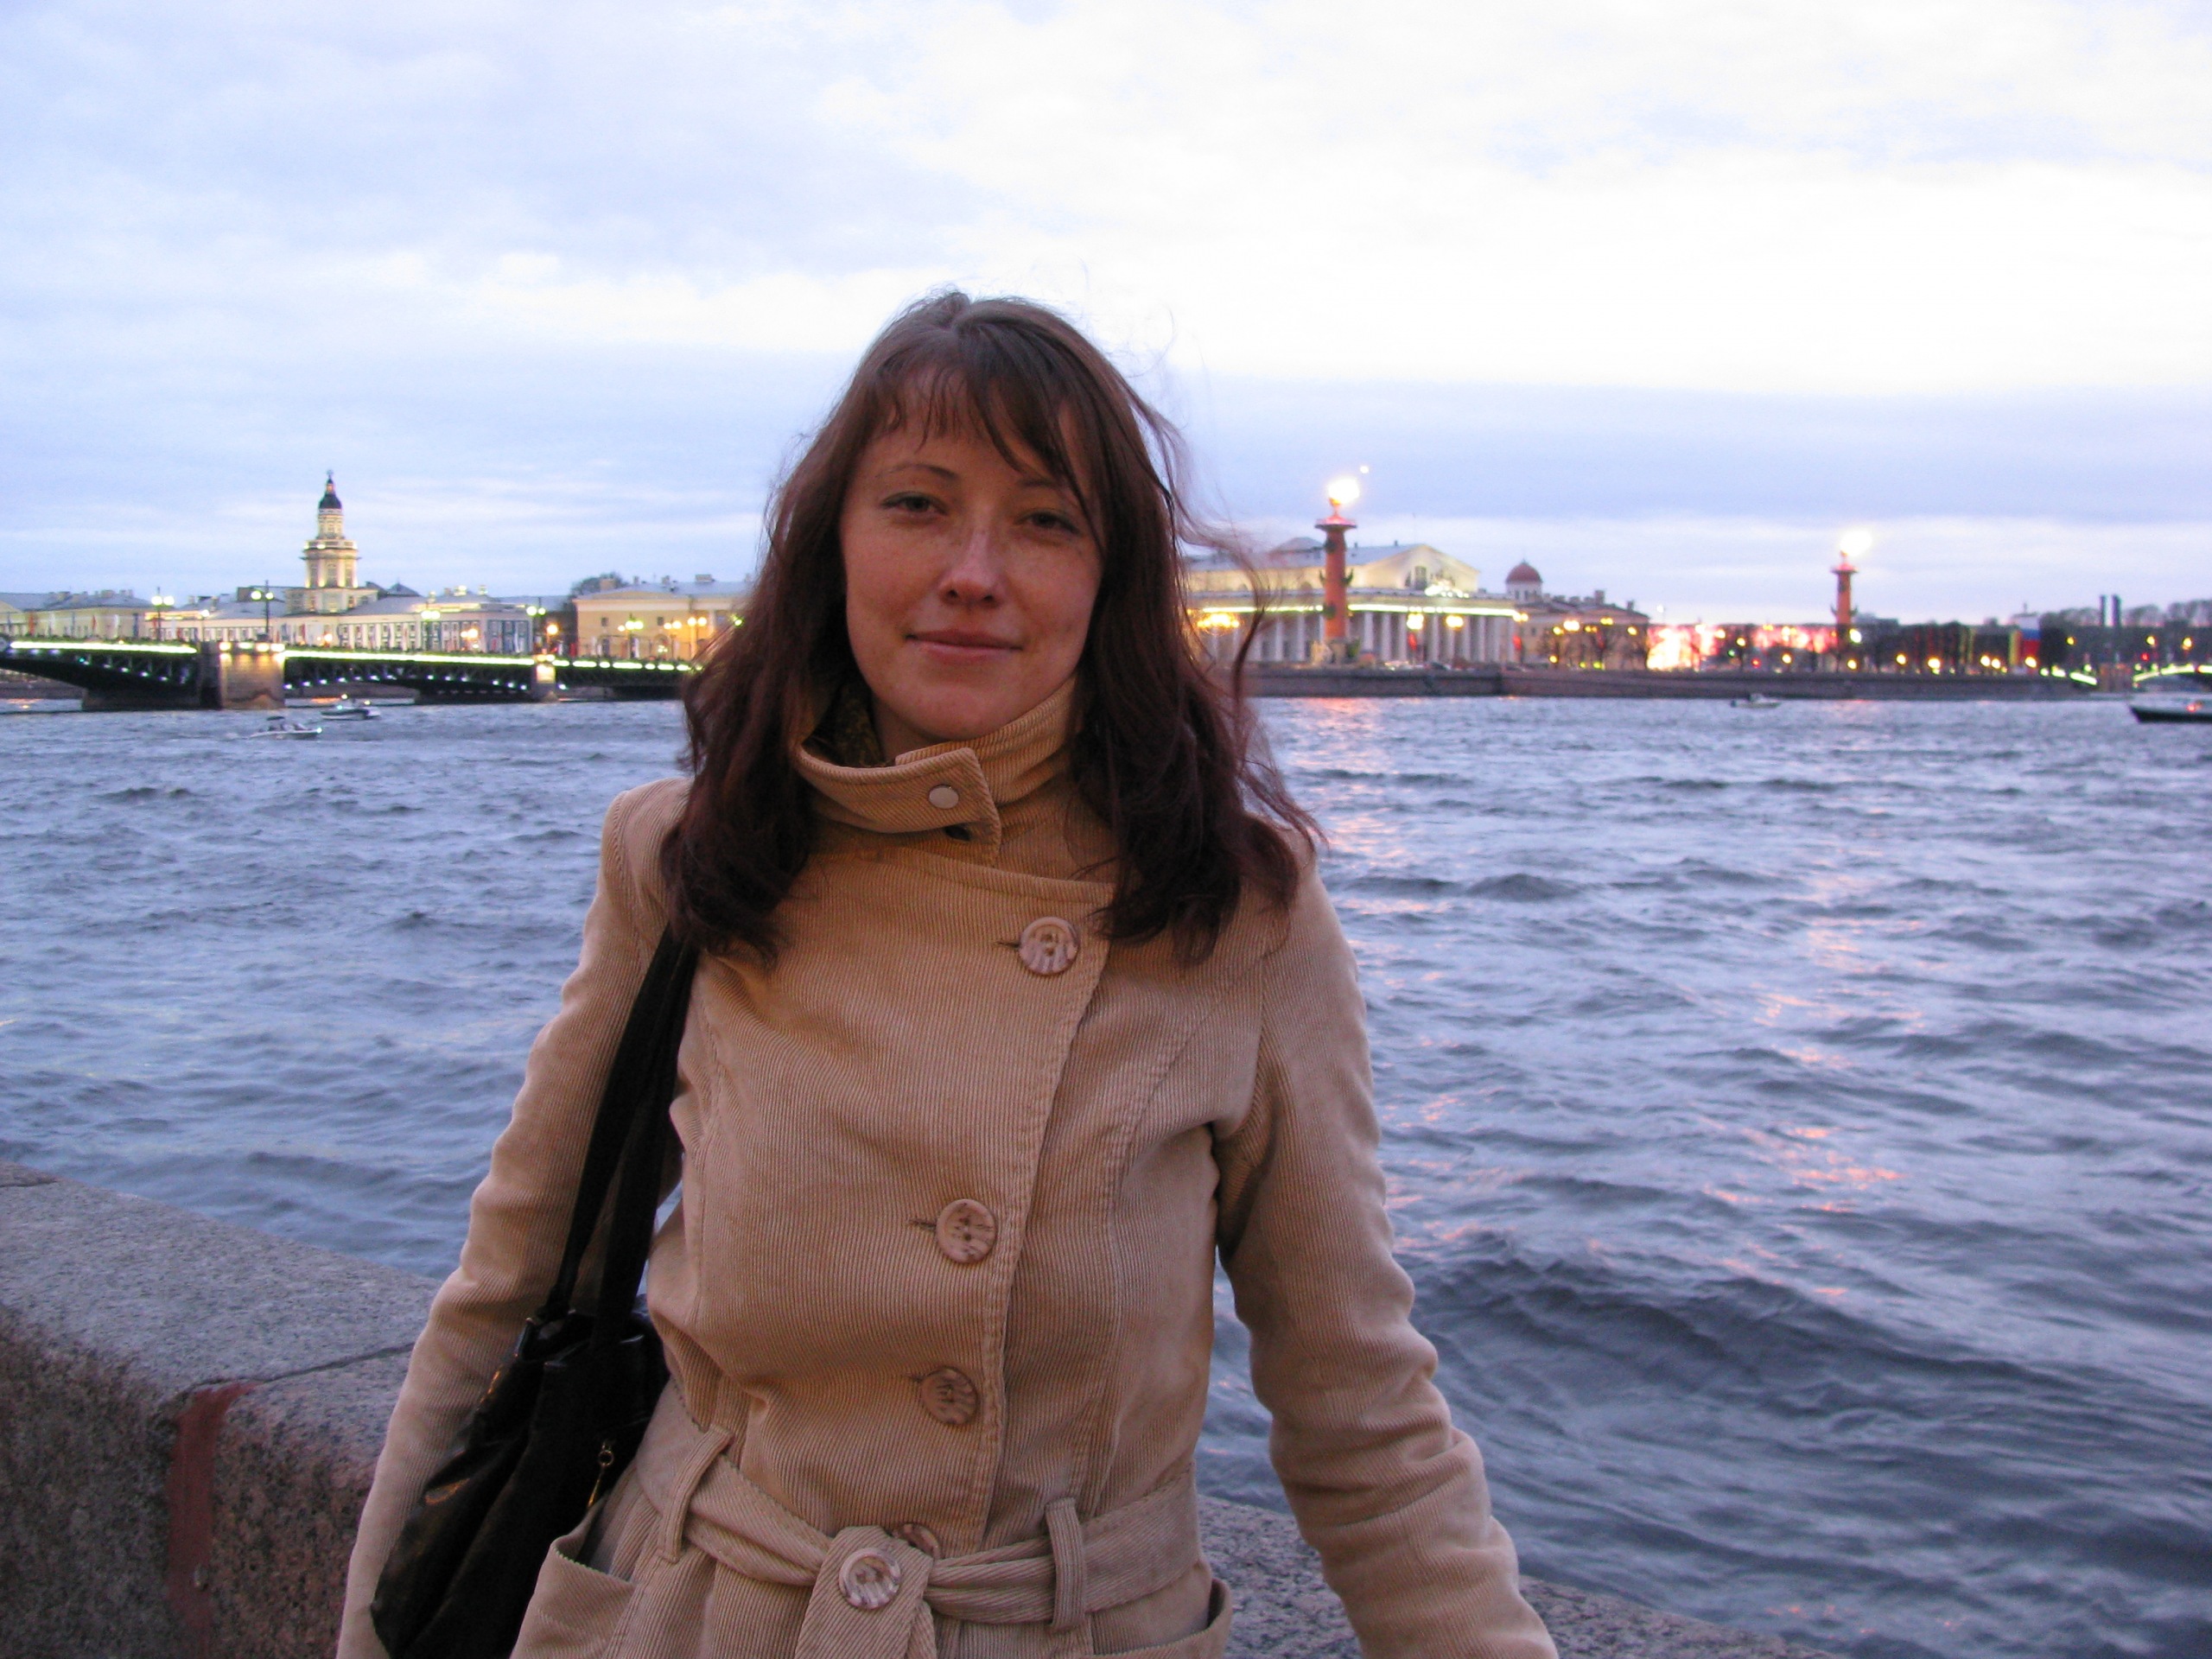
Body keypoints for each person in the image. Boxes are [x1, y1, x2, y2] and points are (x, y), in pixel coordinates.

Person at [338, 292, 1555, 1659]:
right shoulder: (691, 861)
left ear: (1111, 577)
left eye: (1045, 520)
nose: (974, 571)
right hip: (690, 1615)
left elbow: (1361, 1410)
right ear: (833, 542)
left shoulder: (1232, 910)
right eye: (918, 505)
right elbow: (505, 1295)